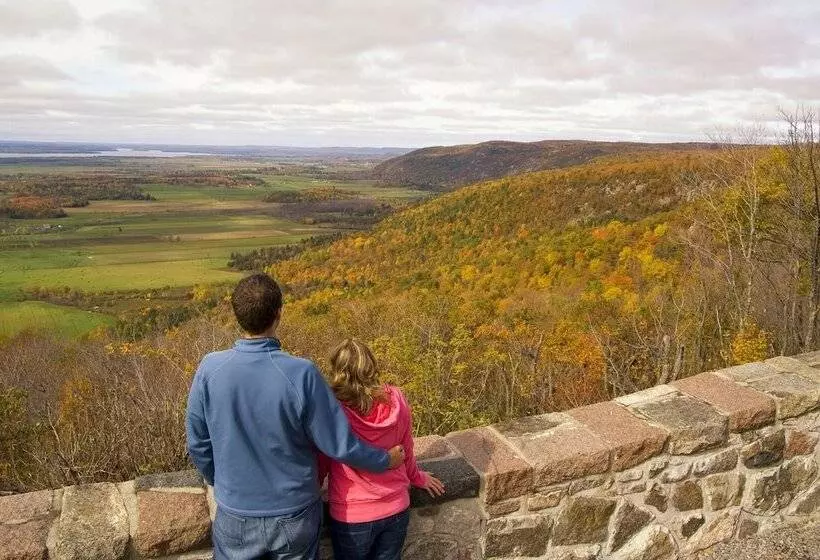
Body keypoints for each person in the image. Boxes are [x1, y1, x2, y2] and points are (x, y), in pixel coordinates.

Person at [185, 273, 405, 560]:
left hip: (236, 511)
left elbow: (198, 442)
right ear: (279, 313)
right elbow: (339, 444)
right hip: (294, 512)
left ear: (236, 314)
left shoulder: (210, 369)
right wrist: (385, 460)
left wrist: (221, 480)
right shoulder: (301, 373)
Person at [319, 339, 445, 560]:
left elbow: (323, 457)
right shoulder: (396, 399)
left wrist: (314, 488)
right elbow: (406, 447)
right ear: (371, 366)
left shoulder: (333, 409)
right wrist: (417, 478)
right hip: (396, 506)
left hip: (352, 513)